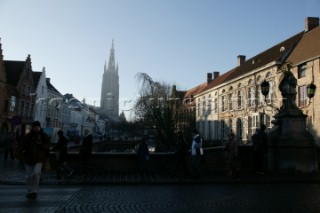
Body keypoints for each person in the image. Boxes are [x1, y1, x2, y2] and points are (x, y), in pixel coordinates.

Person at [15, 121, 51, 200]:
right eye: (35, 127)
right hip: (28, 159)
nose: (36, 129)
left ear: (39, 127)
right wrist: (17, 157)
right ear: (33, 127)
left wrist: (43, 146)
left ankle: (34, 191)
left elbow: (48, 144)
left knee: (36, 173)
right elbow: (21, 146)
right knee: (28, 176)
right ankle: (30, 190)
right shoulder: (28, 136)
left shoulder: (43, 136)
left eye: (38, 127)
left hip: (39, 158)